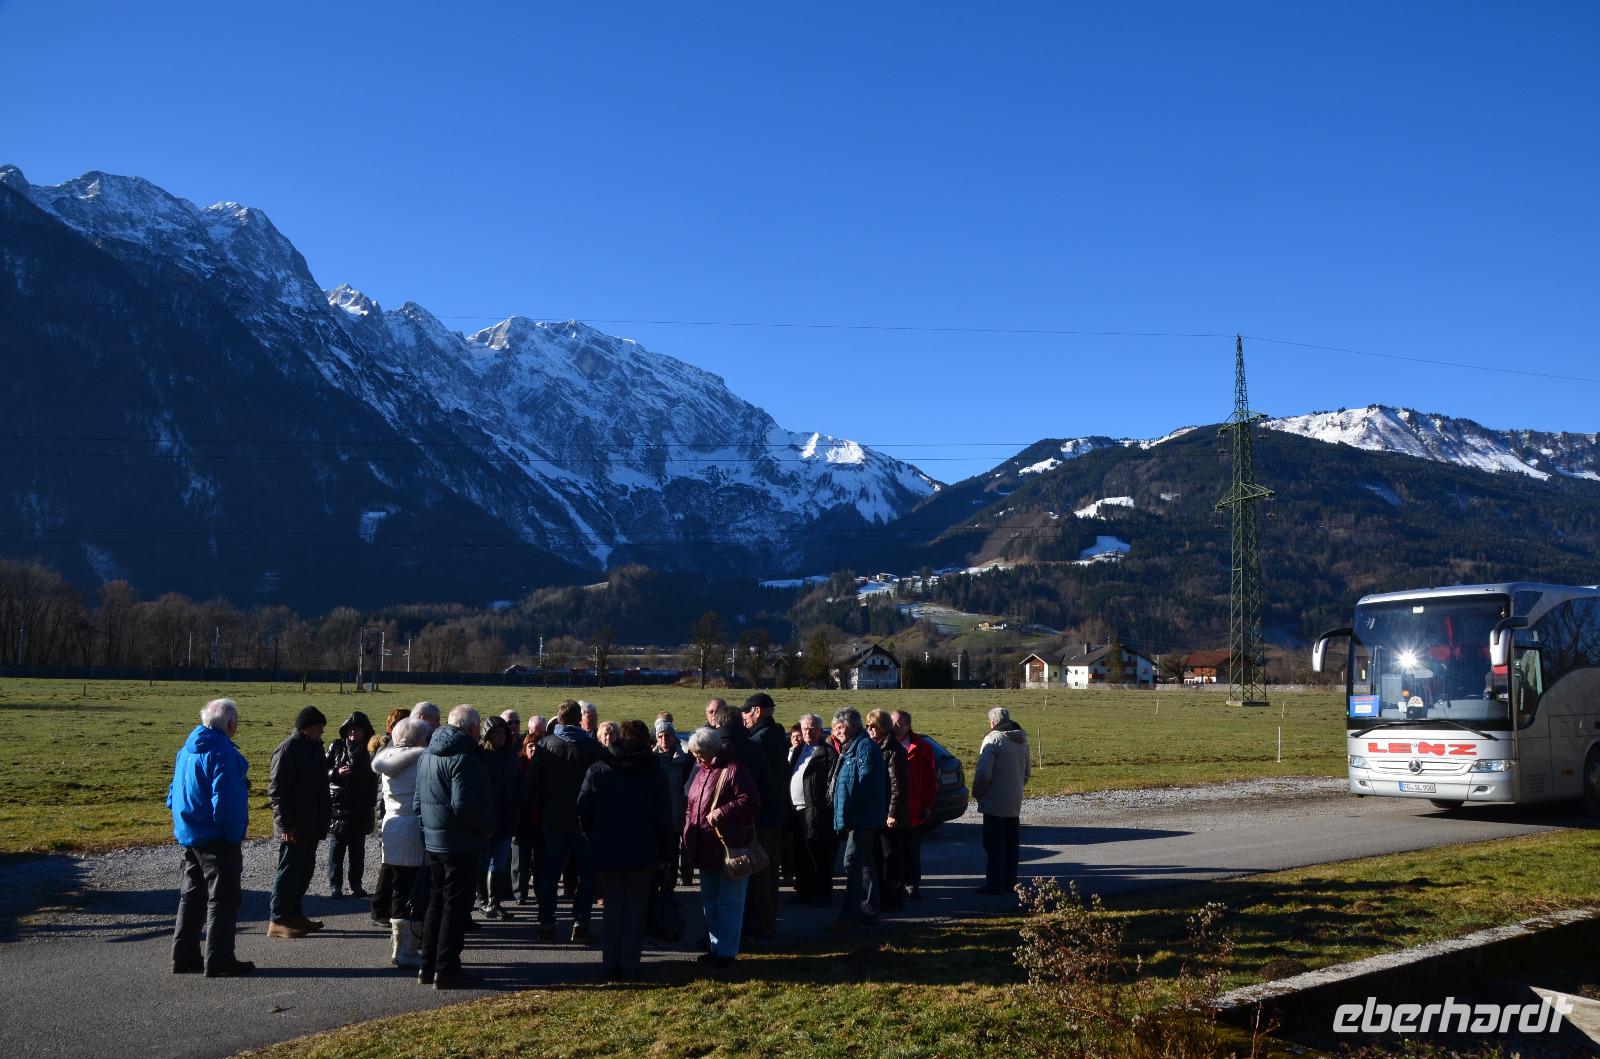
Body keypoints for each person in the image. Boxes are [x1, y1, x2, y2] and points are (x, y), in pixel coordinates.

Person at [578, 719, 673, 980]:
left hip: (608, 847)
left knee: (612, 907)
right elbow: (663, 817)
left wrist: (593, 838)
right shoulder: (654, 772)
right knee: (636, 908)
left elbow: (583, 810)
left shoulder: (599, 768)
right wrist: (665, 853)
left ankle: (610, 963)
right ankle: (630, 963)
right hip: (643, 848)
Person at [167, 697, 252, 977]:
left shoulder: (186, 750)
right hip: (216, 836)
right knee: (223, 899)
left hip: (190, 832)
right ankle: (219, 959)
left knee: (191, 896)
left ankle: (184, 955)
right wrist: (234, 834)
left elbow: (173, 791)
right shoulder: (223, 753)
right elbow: (226, 801)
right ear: (231, 723)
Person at [415, 705, 494, 989]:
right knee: (455, 907)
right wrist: (487, 825)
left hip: (434, 839)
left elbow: (417, 801)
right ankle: (447, 968)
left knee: (436, 903)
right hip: (460, 841)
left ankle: (427, 965)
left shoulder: (427, 754)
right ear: (472, 728)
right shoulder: (465, 757)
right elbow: (463, 804)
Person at [682, 726, 760, 969]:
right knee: (710, 902)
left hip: (729, 846)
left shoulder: (734, 769)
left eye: (699, 753)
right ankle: (715, 947)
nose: (696, 758)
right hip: (705, 845)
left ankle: (727, 951)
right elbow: (691, 804)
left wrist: (722, 812)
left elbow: (751, 799)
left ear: (711, 750)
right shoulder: (701, 770)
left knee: (729, 901)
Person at [530, 699, 602, 943]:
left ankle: (546, 923)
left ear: (558, 718)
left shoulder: (545, 745)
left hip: (553, 817)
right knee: (586, 874)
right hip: (584, 819)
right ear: (579, 718)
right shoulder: (591, 747)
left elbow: (533, 784)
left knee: (549, 873)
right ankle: (581, 922)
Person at [267, 706, 332, 938]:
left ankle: (295, 914)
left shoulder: (315, 748)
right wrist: (286, 825)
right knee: (289, 871)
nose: (322, 730)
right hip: (294, 826)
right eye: (319, 726)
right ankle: (278, 919)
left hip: (312, 823)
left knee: (304, 871)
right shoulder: (287, 750)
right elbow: (277, 792)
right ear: (306, 727)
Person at [372, 718, 429, 968]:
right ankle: (409, 948)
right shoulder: (421, 761)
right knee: (416, 890)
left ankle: (397, 946)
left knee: (397, 887)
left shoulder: (387, 761)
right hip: (414, 827)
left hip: (392, 826)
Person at [829, 707, 885, 928]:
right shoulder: (851, 747)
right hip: (856, 815)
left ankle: (849, 916)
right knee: (865, 862)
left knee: (852, 861)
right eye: (835, 728)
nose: (837, 731)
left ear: (853, 726)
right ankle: (869, 909)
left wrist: (850, 810)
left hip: (861, 816)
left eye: (840, 727)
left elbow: (866, 782)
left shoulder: (865, 747)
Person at [740, 692, 789, 940]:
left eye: (747, 713)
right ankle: (768, 922)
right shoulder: (777, 735)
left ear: (757, 711)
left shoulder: (759, 740)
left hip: (764, 816)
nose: (745, 719)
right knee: (770, 872)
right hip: (777, 813)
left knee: (761, 872)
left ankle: (763, 924)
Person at [971, 706, 1032, 896]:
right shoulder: (1022, 740)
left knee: (993, 845)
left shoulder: (993, 739)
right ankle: (1010, 882)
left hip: (995, 800)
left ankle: (995, 884)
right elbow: (1027, 772)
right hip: (1014, 800)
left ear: (992, 722)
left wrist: (978, 792)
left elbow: (983, 772)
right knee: (1011, 846)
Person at [787, 712, 837, 907]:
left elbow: (832, 783)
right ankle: (804, 891)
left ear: (820, 730)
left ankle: (823, 895)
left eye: (812, 729)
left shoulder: (827, 752)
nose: (808, 732)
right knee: (800, 854)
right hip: (795, 809)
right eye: (805, 729)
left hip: (816, 810)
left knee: (819, 854)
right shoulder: (798, 749)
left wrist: (825, 807)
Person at [326, 711, 378, 899]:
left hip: (361, 808)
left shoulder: (371, 751)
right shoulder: (336, 746)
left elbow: (376, 777)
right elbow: (322, 770)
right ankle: (335, 886)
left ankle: (356, 885)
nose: (353, 731)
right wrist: (336, 773)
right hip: (338, 807)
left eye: (357, 729)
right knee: (336, 851)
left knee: (357, 852)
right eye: (350, 728)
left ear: (365, 731)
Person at [479, 715, 523, 920]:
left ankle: (494, 903)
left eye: (503, 733)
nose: (501, 736)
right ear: (488, 735)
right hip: (486, 817)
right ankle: (483, 901)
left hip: (506, 816)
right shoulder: (481, 757)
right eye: (496, 733)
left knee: (499, 862)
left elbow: (519, 783)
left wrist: (518, 802)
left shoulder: (511, 756)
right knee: (484, 862)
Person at [865, 708, 909, 911]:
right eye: (867, 726)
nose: (869, 729)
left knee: (890, 857)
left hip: (888, 814)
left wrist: (892, 813)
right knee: (877, 856)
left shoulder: (894, 751)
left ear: (882, 727)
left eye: (872, 726)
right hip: (875, 811)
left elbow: (897, 786)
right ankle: (879, 896)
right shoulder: (873, 747)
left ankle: (892, 899)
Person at [891, 709, 937, 899]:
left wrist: (927, 806)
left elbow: (930, 781)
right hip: (890, 809)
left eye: (898, 724)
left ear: (908, 726)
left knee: (911, 848)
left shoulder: (923, 748)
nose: (894, 727)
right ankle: (894, 884)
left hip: (913, 807)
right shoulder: (883, 745)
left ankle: (911, 884)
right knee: (892, 849)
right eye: (892, 723)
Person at [653, 717, 692, 884]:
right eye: (660, 736)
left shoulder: (685, 759)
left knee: (675, 850)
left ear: (674, 737)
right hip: (658, 813)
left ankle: (673, 883)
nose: (664, 739)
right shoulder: (651, 759)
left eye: (667, 735)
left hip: (678, 811)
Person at [514, 715, 547, 905]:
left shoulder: (545, 768)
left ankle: (540, 892)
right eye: (530, 746)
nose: (534, 749)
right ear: (525, 748)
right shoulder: (518, 767)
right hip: (522, 821)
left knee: (540, 861)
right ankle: (520, 894)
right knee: (521, 860)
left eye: (537, 747)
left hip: (540, 819)